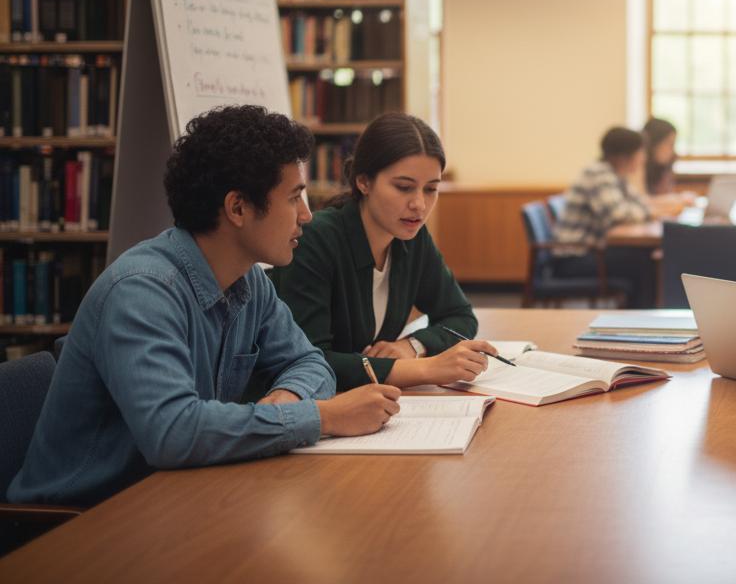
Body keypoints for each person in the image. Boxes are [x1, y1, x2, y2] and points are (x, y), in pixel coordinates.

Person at [7, 106, 399, 507]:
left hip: (170, 494)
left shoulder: (248, 280)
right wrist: (323, 416)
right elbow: (173, 433)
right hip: (78, 517)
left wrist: (288, 400)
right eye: (294, 197)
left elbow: (310, 362)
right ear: (238, 208)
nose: (307, 215)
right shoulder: (142, 292)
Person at [267, 113, 497, 392]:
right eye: (404, 187)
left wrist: (412, 346)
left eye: (431, 189)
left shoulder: (413, 238)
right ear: (363, 182)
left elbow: (460, 316)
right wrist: (424, 368)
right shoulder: (316, 239)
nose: (419, 204)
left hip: (367, 400)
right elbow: (308, 360)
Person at [553, 126, 657, 307]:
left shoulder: (616, 175)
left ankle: (637, 314)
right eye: (640, 152)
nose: (643, 158)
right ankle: (639, 315)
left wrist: (646, 211)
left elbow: (640, 205)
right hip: (574, 258)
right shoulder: (599, 174)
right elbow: (618, 214)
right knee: (644, 262)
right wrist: (649, 213)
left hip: (589, 251)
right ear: (624, 156)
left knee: (645, 257)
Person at [642, 117, 678, 196]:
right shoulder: (638, 166)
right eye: (670, 144)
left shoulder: (664, 167)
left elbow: (666, 194)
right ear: (654, 144)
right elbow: (641, 200)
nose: (673, 151)